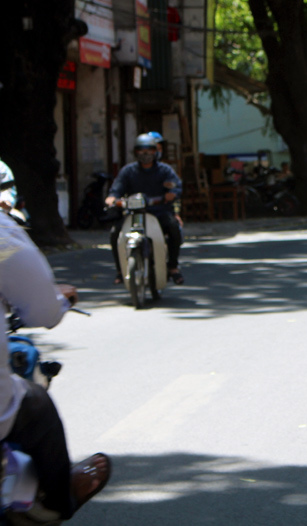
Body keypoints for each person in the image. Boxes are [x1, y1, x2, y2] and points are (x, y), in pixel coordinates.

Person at [0, 211, 111, 521]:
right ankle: (60, 499)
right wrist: (59, 300)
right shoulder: (2, 233)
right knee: (36, 402)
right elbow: (42, 312)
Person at [105, 134, 185, 285]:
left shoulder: (165, 170)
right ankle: (120, 270)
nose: (145, 154)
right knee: (115, 233)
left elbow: (176, 186)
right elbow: (115, 191)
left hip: (159, 212)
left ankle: (173, 267)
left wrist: (171, 194)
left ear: (155, 152)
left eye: (149, 150)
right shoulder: (128, 171)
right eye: (141, 150)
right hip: (135, 214)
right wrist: (112, 199)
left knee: (174, 227)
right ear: (135, 152)